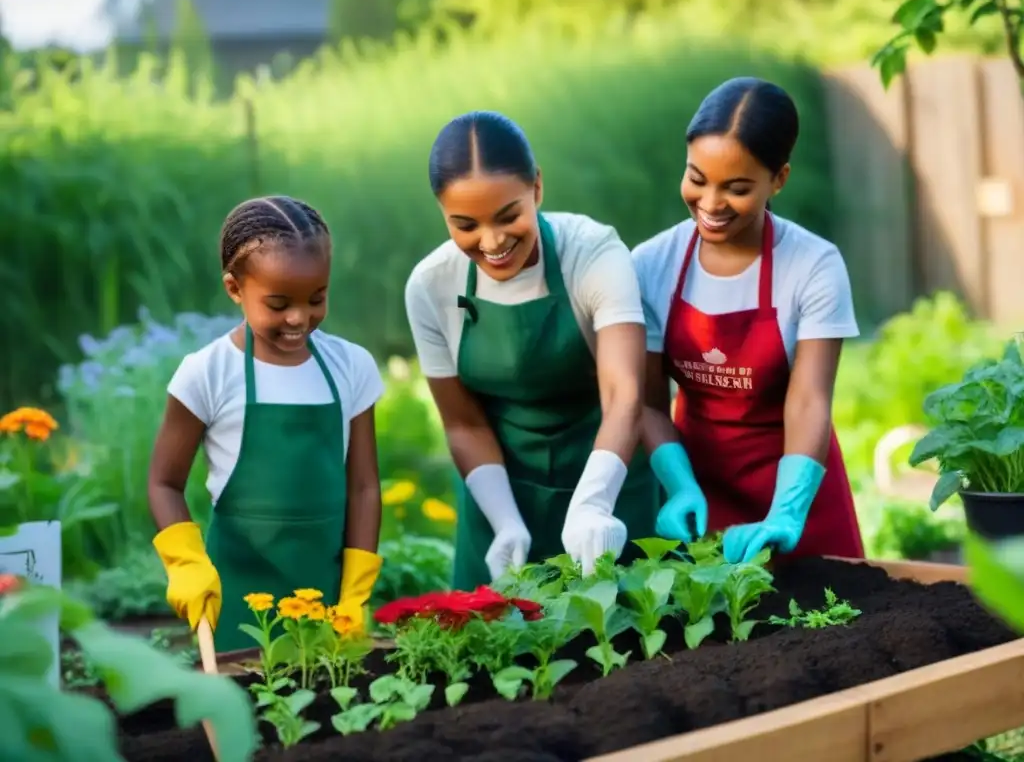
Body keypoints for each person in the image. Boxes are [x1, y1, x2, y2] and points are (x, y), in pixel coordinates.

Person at [405, 111, 659, 589]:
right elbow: (463, 422)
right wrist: (504, 521)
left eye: (509, 216)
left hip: (609, 478)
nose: (493, 241)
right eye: (465, 225)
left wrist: (594, 501)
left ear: (537, 187)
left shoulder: (594, 254)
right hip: (500, 492)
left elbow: (625, 394)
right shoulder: (430, 286)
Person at [632, 77, 865, 565]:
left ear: (778, 179)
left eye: (736, 188)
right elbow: (649, 403)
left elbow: (809, 399)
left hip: (799, 486)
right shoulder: (651, 264)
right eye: (697, 178)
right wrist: (677, 486)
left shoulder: (812, 266)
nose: (711, 204)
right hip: (698, 487)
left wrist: (788, 510)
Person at [147, 196, 386, 653]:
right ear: (235, 289)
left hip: (327, 593)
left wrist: (355, 592)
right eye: (278, 304)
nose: (299, 318)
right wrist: (186, 564)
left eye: (317, 298)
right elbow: (164, 482)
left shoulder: (351, 367)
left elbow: (363, 487)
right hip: (238, 597)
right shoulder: (208, 373)